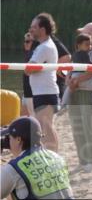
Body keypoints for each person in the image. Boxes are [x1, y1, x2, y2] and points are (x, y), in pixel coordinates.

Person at [1, 116, 78, 200]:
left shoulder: (14, 167)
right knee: (18, 192)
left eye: (10, 138)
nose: (8, 142)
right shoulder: (56, 157)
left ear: (19, 140)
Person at [65, 22, 92, 171]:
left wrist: (76, 81)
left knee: (89, 128)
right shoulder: (78, 52)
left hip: (87, 93)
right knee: (77, 128)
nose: (81, 35)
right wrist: (69, 81)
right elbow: (70, 69)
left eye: (86, 33)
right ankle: (82, 161)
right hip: (75, 91)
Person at [25, 13, 66, 152]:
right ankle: (52, 155)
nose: (30, 30)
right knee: (45, 128)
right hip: (43, 93)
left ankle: (54, 156)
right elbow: (30, 69)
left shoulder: (45, 47)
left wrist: (32, 69)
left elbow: (28, 69)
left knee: (46, 128)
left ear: (42, 29)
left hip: (46, 93)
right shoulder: (43, 45)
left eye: (33, 27)